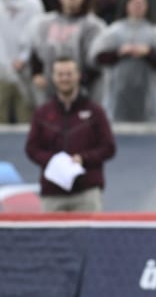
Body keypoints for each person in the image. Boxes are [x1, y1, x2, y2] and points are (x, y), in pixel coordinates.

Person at [24, 57, 116, 212]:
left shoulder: (95, 111)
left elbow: (108, 147)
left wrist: (83, 158)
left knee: (89, 236)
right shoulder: (42, 113)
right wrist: (54, 160)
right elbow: (32, 148)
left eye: (69, 74)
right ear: (53, 77)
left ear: (78, 75)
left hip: (86, 192)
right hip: (52, 193)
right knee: (51, 236)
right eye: (60, 74)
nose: (65, 78)